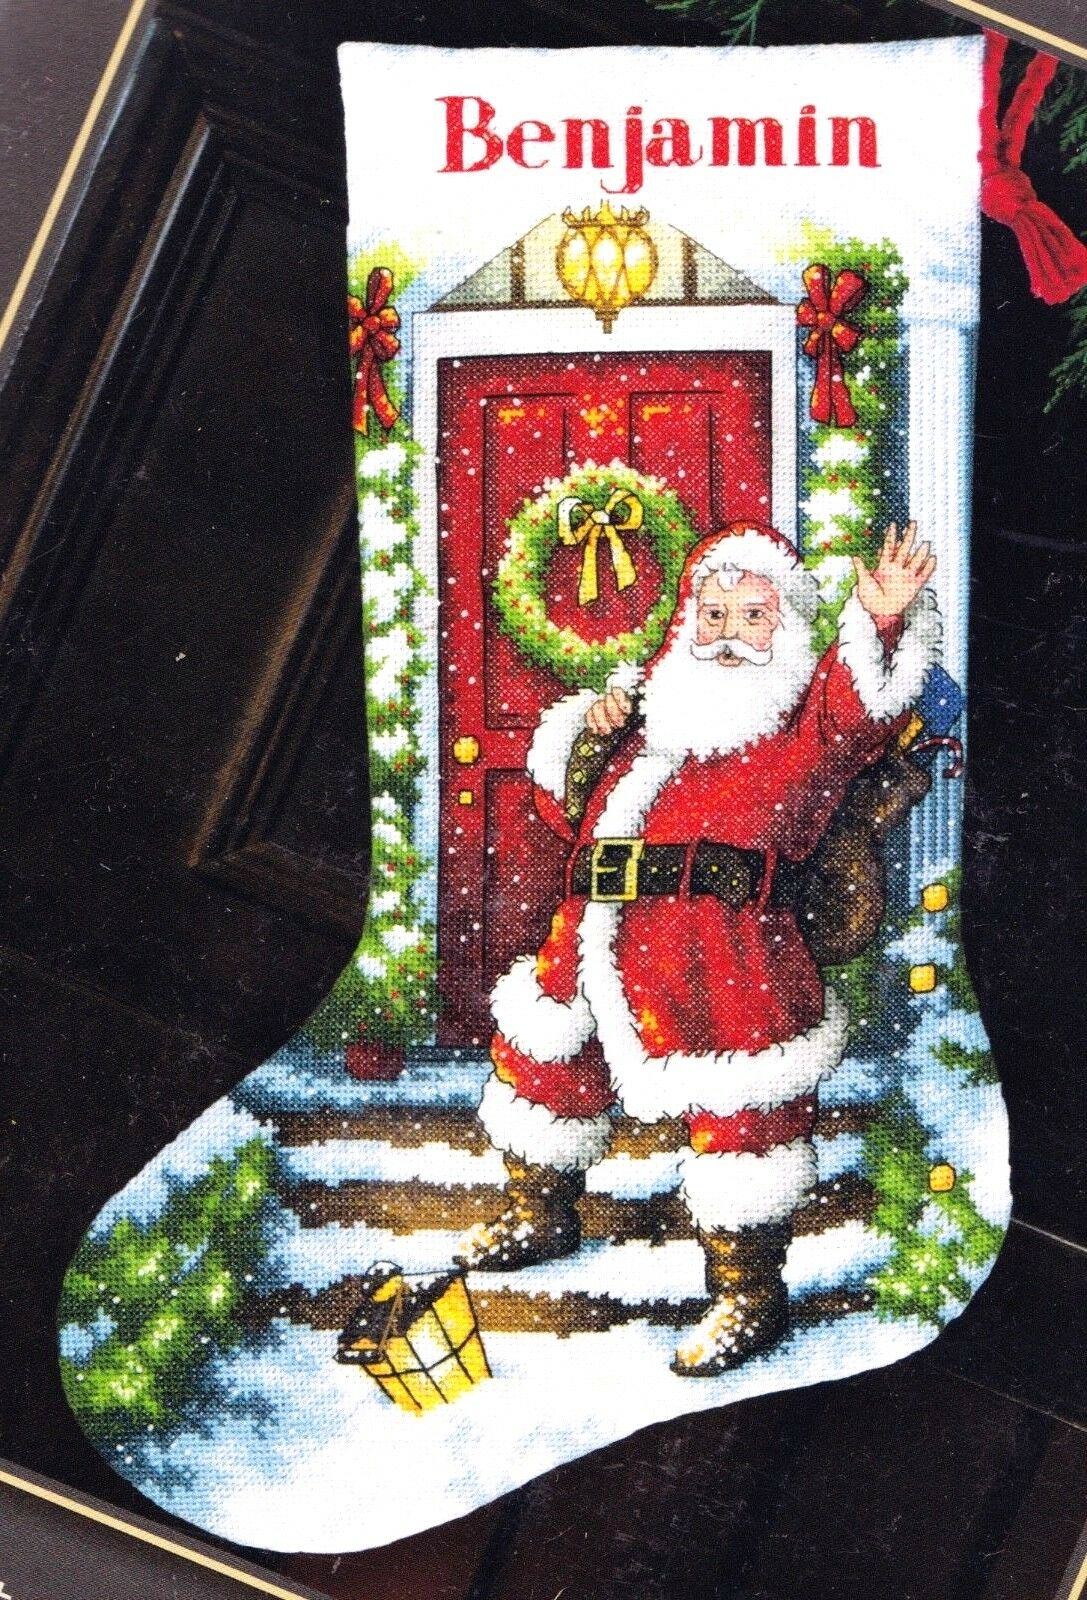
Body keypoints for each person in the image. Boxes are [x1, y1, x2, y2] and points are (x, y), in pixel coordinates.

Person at [456, 520, 941, 1375]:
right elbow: (565, 814)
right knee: (546, 1064)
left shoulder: (803, 730)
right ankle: (540, 1212)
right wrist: (593, 738)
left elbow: (860, 710)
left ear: (787, 628)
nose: (726, 635)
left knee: (744, 1118)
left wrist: (882, 619)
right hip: (597, 929)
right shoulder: (655, 719)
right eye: (711, 615)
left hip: (724, 952)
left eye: (752, 617)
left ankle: (747, 1292)